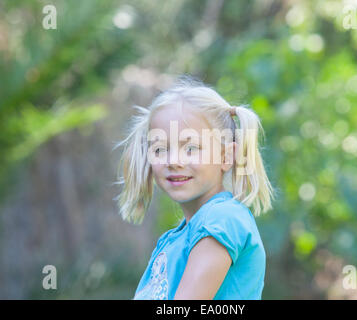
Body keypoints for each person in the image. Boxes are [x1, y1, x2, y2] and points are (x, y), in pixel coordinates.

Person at [114, 75, 276, 300]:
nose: (173, 161)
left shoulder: (222, 219)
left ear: (226, 156)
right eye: (160, 149)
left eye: (191, 148)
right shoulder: (176, 239)